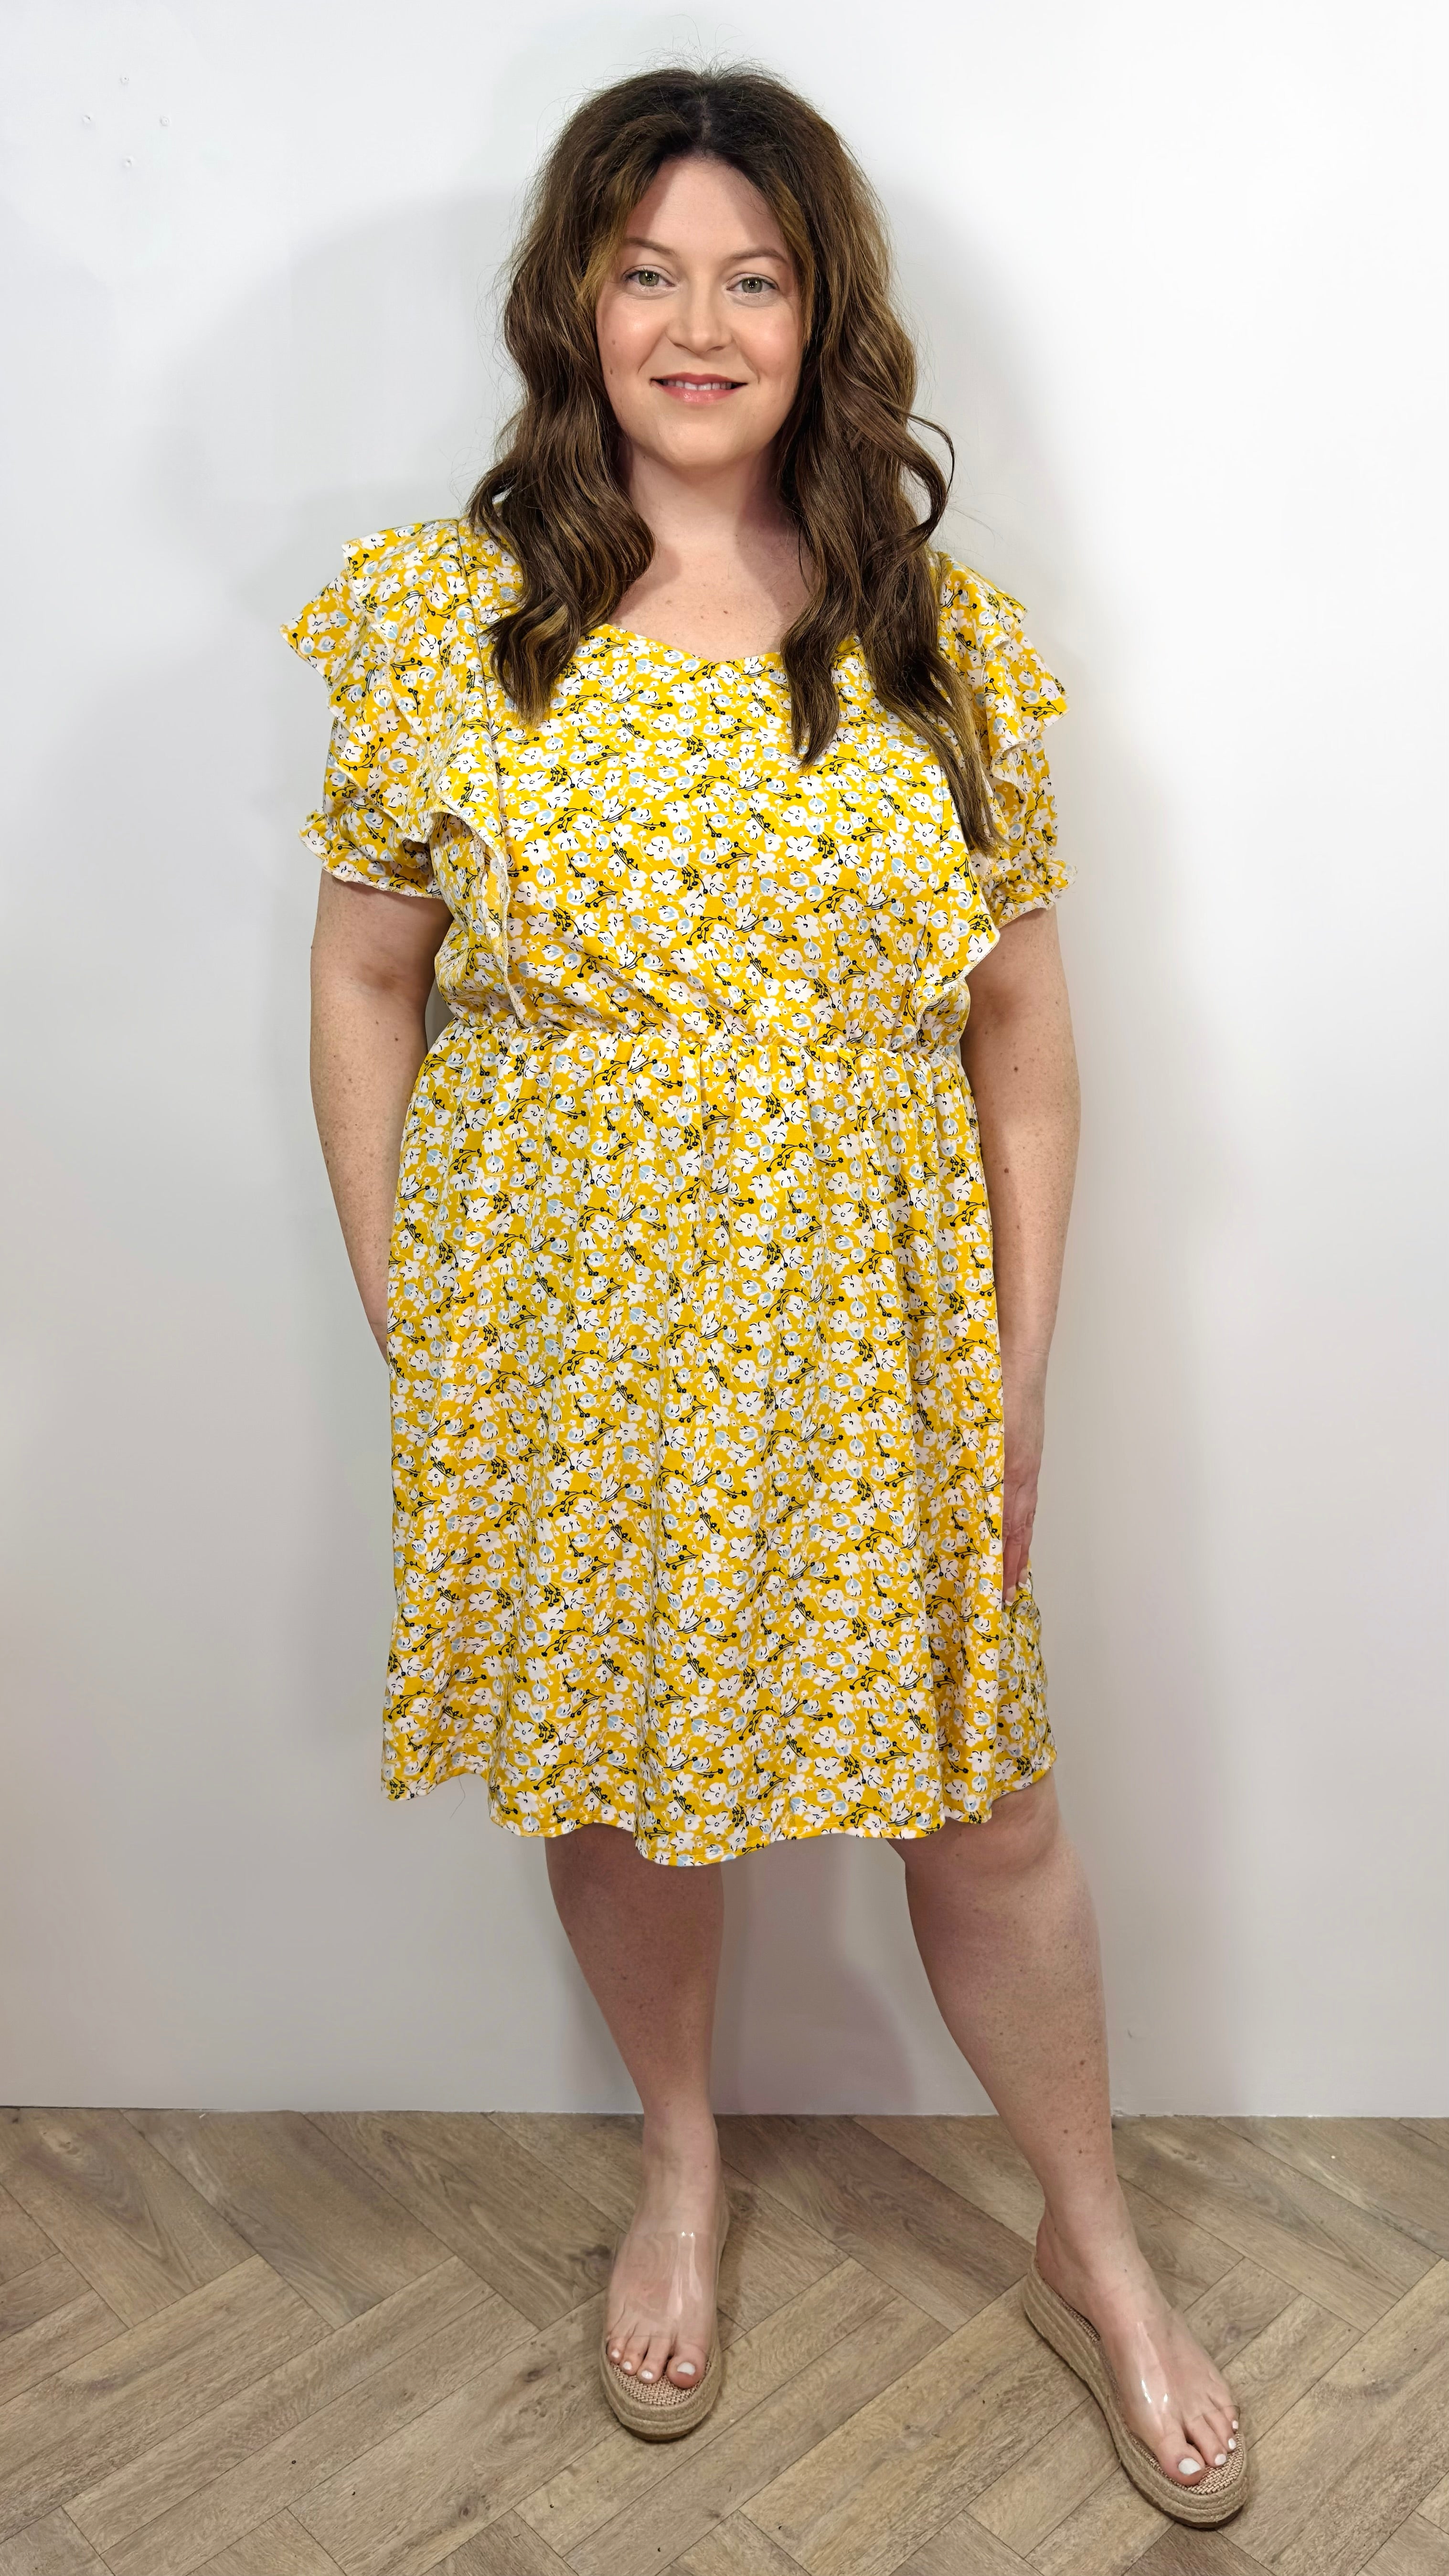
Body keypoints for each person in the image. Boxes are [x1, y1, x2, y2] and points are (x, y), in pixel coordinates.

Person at [289, 64, 1246, 2523]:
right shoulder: (441, 620)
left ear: (823, 320)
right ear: (573, 299)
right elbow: (366, 981)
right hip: (565, 1328)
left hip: (876, 1328)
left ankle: (1092, 2237)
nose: (695, 322)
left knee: (991, 1804)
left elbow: (1021, 1047)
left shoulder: (948, 642)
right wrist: (429, 1325)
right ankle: (686, 2161)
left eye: (752, 274)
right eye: (645, 268)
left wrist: (1015, 1375)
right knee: (626, 1781)